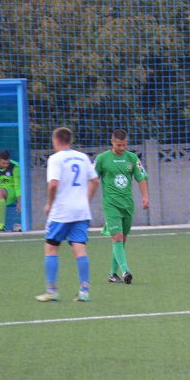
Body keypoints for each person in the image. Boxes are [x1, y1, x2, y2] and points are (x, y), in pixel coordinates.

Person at [36, 127, 99, 303]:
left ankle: (52, 291)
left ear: (55, 140)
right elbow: (95, 181)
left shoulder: (55, 159)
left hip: (62, 211)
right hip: (81, 210)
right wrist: (86, 200)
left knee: (51, 247)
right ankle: (84, 291)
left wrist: (49, 203)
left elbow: (53, 184)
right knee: (79, 248)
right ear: (69, 140)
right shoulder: (83, 157)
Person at [94, 129, 149, 284]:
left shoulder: (132, 158)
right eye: (119, 145)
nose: (122, 148)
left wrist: (145, 196)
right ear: (112, 142)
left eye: (125, 145)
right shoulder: (102, 159)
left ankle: (113, 274)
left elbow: (141, 178)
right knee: (117, 237)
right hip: (111, 204)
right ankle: (125, 271)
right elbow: (92, 178)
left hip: (127, 205)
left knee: (122, 240)